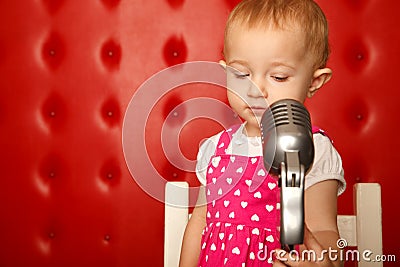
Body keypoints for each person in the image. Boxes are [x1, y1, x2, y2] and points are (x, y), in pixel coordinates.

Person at [179, 0, 346, 266]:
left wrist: (326, 261)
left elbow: (325, 231)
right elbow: (200, 222)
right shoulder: (215, 149)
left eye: (278, 77)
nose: (255, 90)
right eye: (242, 74)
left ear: (314, 82)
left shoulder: (313, 148)